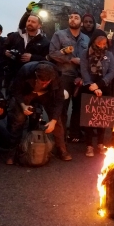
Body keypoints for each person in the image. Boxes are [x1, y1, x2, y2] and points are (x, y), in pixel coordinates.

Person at [6, 61, 71, 164]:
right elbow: (16, 91)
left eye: (47, 82)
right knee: (18, 118)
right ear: (36, 75)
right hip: (26, 93)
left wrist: (53, 121)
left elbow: (59, 100)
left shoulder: (57, 76)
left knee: (57, 121)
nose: (44, 84)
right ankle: (12, 152)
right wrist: (23, 106)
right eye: (42, 82)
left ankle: (62, 149)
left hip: (47, 95)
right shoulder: (25, 70)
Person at [49, 11, 90, 143]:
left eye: (76, 18)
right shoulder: (59, 34)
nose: (73, 19)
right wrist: (71, 59)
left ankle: (74, 134)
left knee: (78, 107)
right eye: (71, 17)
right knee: (62, 107)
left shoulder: (86, 39)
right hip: (64, 76)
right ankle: (60, 136)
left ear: (81, 23)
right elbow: (52, 54)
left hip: (80, 77)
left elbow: (89, 57)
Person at [80, 30, 114, 156]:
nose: (101, 45)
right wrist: (92, 86)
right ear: (93, 41)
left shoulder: (109, 55)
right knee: (89, 118)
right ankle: (89, 145)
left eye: (104, 43)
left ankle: (100, 143)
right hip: (89, 87)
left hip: (104, 86)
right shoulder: (85, 54)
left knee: (102, 118)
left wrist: (99, 85)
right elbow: (83, 71)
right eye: (99, 43)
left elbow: (111, 72)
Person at [3, 3, 50, 91]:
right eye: (28, 21)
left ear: (39, 25)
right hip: (13, 75)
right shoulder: (15, 36)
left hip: (32, 78)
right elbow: (3, 47)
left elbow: (47, 59)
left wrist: (32, 57)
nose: (30, 23)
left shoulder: (45, 42)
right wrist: (6, 52)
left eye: (33, 22)